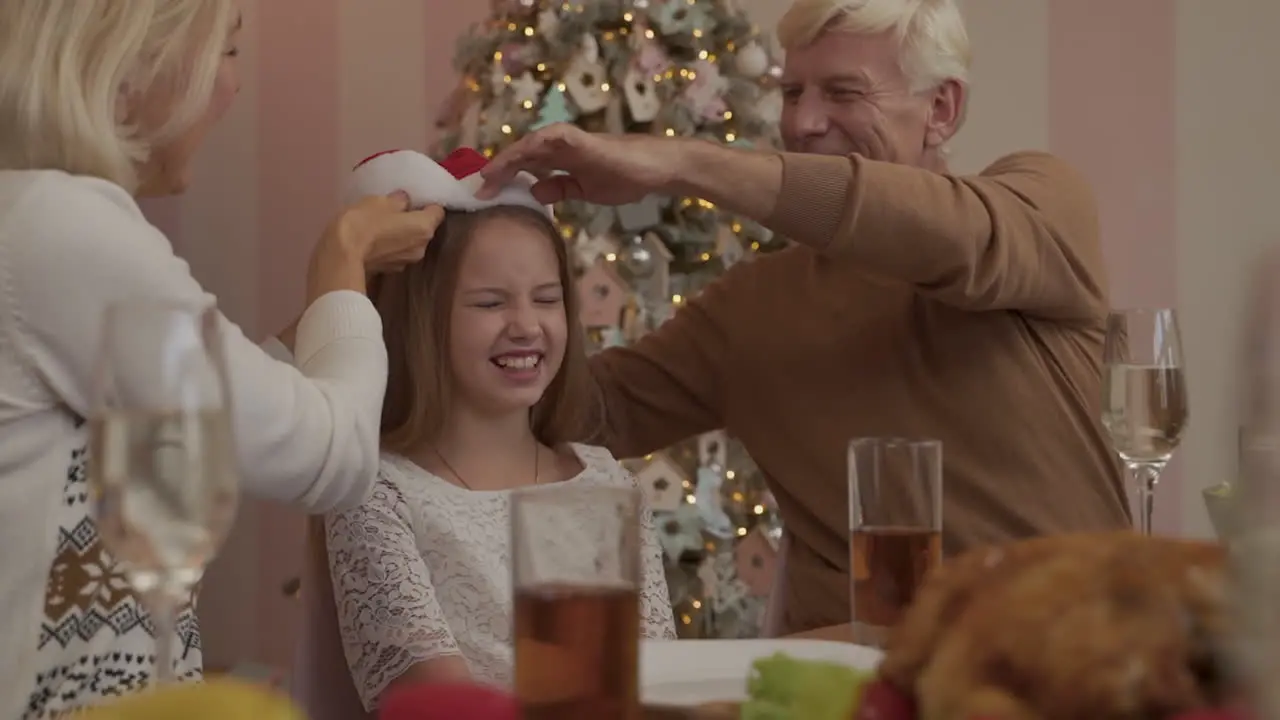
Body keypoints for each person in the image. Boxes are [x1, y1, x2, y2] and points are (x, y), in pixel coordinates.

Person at [477, 0, 1131, 637]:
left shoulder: (1041, 209)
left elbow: (936, 230)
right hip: (844, 687)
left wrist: (678, 162)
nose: (805, 122)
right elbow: (581, 410)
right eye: (792, 93)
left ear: (941, 108)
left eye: (844, 93)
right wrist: (462, 287)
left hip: (1070, 668)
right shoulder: (752, 308)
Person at [0, 1, 442, 716]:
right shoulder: (64, 224)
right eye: (225, 51)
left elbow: (198, 406)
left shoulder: (29, 220)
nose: (231, 86)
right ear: (135, 56)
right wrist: (344, 261)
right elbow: (328, 458)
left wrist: (333, 307)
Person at [288, 148, 676, 716]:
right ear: (422, 318)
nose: (526, 326)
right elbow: (433, 700)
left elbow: (654, 678)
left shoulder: (607, 482)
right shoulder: (375, 491)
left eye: (546, 300)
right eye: (490, 303)